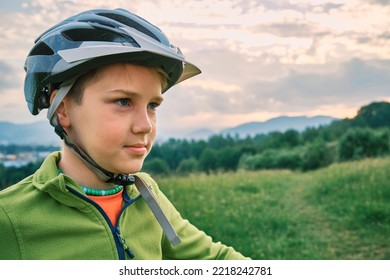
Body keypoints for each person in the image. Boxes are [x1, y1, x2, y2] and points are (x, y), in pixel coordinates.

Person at [0, 8, 249, 260]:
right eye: (123, 102)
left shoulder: (146, 194)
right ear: (63, 110)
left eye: (152, 105)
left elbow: (217, 261)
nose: (145, 126)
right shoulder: (9, 218)